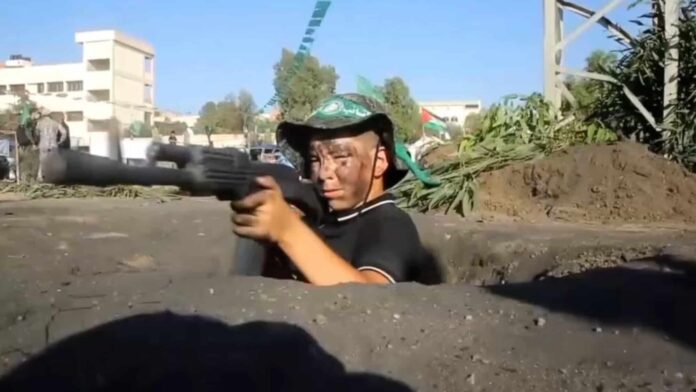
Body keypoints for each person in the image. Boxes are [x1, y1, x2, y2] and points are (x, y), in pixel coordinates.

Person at [229, 93, 438, 286]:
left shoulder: (391, 224)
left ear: (380, 161)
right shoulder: (323, 221)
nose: (323, 173)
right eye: (314, 159)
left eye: (341, 157)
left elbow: (372, 300)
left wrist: (288, 230)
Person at [33, 108, 67, 181]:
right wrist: (60, 141)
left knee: (42, 160)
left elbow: (36, 134)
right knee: (53, 161)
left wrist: (36, 143)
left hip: (43, 144)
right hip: (53, 144)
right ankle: (52, 176)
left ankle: (40, 176)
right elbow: (64, 132)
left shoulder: (39, 123)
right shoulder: (55, 123)